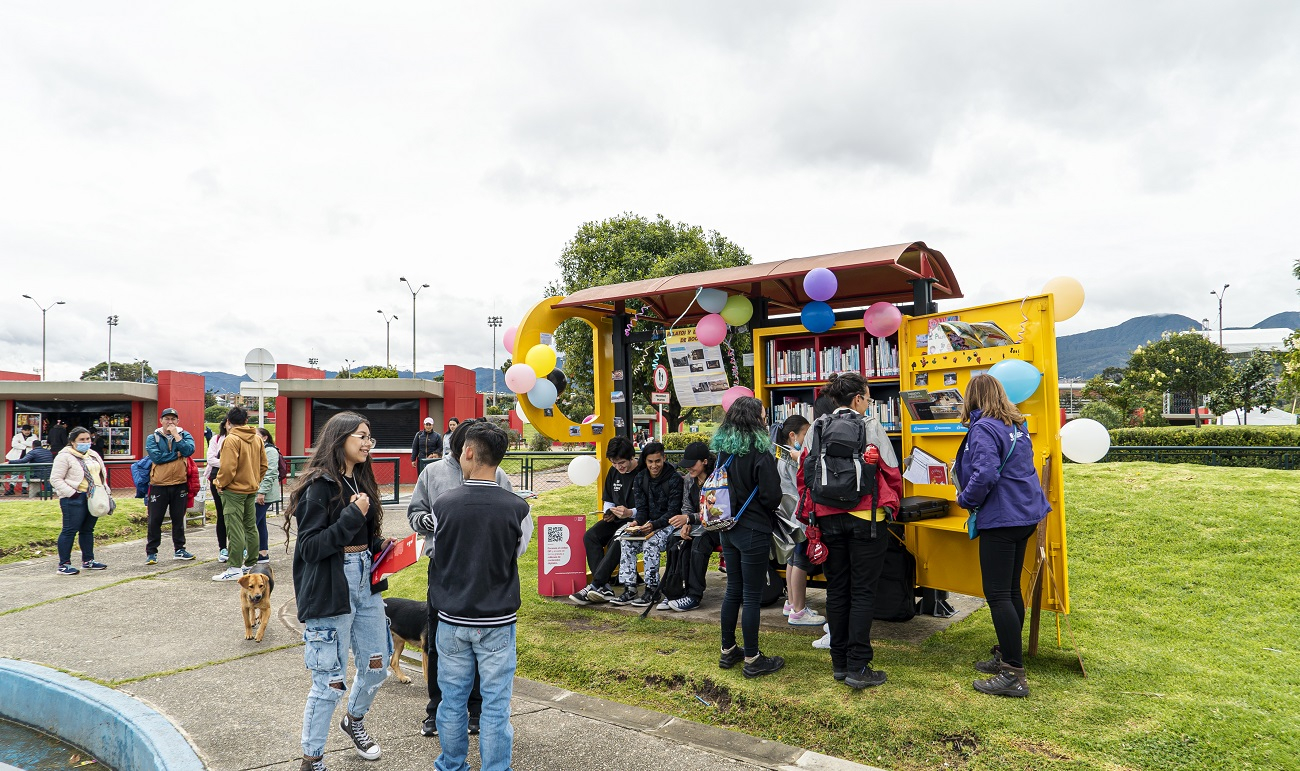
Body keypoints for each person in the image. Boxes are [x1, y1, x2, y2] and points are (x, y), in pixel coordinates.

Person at [284, 412, 392, 771]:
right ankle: (311, 759)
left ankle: (354, 720)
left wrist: (380, 546)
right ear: (339, 438)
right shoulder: (320, 485)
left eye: (369, 437)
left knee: (377, 666)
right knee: (330, 681)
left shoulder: (359, 480)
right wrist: (351, 516)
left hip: (366, 582)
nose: (367, 443)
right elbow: (312, 547)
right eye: (361, 436)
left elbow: (357, 535)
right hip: (332, 586)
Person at [425, 421, 532, 771]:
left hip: (452, 617)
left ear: (468, 452)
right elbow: (516, 554)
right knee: (496, 705)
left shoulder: (443, 504)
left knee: (452, 702)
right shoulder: (518, 507)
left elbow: (439, 551)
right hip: (497, 620)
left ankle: (452, 765)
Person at [407, 417, 514, 738]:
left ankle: (477, 710)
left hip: (485, 572)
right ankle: (436, 711)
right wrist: (434, 521)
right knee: (439, 645)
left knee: (484, 643)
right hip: (443, 569)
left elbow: (513, 522)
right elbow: (414, 514)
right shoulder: (433, 473)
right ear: (462, 448)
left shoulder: (498, 476)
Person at [796, 372, 902, 689]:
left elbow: (805, 474)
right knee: (864, 592)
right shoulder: (870, 426)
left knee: (837, 590)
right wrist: (892, 502)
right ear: (858, 399)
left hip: (827, 520)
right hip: (866, 519)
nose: (868, 404)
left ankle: (839, 664)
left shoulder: (816, 427)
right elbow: (891, 470)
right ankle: (859, 665)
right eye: (868, 399)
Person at [954, 374, 1051, 699]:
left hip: (1002, 516)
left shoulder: (983, 428)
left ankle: (1013, 672)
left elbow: (986, 473)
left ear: (973, 398)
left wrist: (965, 499)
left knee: (997, 593)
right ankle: (1007, 655)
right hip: (1026, 514)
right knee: (1010, 590)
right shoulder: (1016, 425)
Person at [710, 397, 785, 678]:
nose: (766, 421)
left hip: (727, 527)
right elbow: (772, 496)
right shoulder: (762, 452)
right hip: (753, 529)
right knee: (752, 596)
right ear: (756, 420)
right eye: (764, 417)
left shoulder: (722, 450)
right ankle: (753, 658)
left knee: (733, 591)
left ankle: (728, 650)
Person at [610, 442, 681, 608]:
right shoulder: (640, 478)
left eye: (657, 461)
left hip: (670, 523)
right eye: (650, 461)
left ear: (664, 458)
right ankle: (630, 588)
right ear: (645, 461)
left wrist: (654, 525)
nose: (654, 465)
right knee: (626, 540)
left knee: (651, 543)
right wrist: (636, 522)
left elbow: (673, 511)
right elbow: (642, 510)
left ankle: (652, 589)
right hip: (649, 524)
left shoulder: (674, 478)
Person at [568, 437, 639, 603]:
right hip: (617, 518)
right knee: (591, 536)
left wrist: (630, 512)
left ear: (631, 457)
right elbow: (608, 497)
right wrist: (609, 510)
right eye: (614, 463)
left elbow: (650, 507)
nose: (618, 466)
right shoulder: (614, 471)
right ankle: (604, 588)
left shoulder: (643, 472)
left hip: (637, 521)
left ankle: (596, 585)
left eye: (621, 462)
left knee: (618, 539)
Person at [775, 415, 824, 626]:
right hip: (799, 515)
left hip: (789, 515)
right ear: (793, 435)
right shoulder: (793, 458)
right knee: (800, 559)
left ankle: (791, 602)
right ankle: (799, 610)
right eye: (805, 434)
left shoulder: (780, 454)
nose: (807, 438)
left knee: (793, 559)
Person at [212, 407, 267, 581]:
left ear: (228, 422)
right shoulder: (257, 439)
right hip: (251, 488)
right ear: (246, 421)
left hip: (233, 490)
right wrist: (254, 480)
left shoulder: (231, 439)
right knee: (251, 527)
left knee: (234, 528)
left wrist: (220, 483)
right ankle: (251, 563)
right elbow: (264, 465)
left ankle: (234, 567)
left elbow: (228, 467)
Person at [662, 441, 716, 612]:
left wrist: (689, 519)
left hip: (717, 527)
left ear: (705, 462)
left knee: (699, 545)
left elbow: (714, 512)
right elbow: (686, 505)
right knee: (674, 540)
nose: (688, 469)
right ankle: (673, 591)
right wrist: (686, 524)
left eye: (692, 465)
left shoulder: (716, 479)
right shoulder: (688, 480)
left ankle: (694, 595)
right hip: (697, 524)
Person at [48, 427, 109, 575]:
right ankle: (64, 564)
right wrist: (72, 493)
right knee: (70, 530)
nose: (86, 442)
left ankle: (88, 560)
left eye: (88, 439)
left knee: (87, 530)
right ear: (72, 441)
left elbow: (101, 475)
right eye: (81, 440)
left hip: (93, 496)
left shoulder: (93, 455)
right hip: (74, 498)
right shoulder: (64, 456)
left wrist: (106, 491)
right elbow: (55, 479)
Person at [144, 407, 197, 565]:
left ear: (178, 421)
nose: (170, 422)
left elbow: (189, 450)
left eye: (173, 419)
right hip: (159, 484)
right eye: (167, 419)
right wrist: (177, 454)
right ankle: (152, 552)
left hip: (180, 483)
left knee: (178, 518)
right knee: (155, 519)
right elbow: (157, 457)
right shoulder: (153, 437)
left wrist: (176, 436)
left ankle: (179, 549)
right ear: (161, 421)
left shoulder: (184, 435)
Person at [254, 427, 280, 564]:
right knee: (260, 523)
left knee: (252, 522)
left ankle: (251, 552)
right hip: (259, 492)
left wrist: (261, 492)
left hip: (264, 493)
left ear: (265, 437)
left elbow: (270, 473)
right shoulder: (258, 450)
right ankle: (262, 553)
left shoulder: (270, 451)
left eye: (257, 435)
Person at [208, 418, 229, 562]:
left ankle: (241, 547)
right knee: (221, 514)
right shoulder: (216, 439)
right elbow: (210, 459)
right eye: (228, 423)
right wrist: (230, 464)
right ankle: (223, 548)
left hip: (238, 480)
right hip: (218, 478)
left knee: (239, 516)